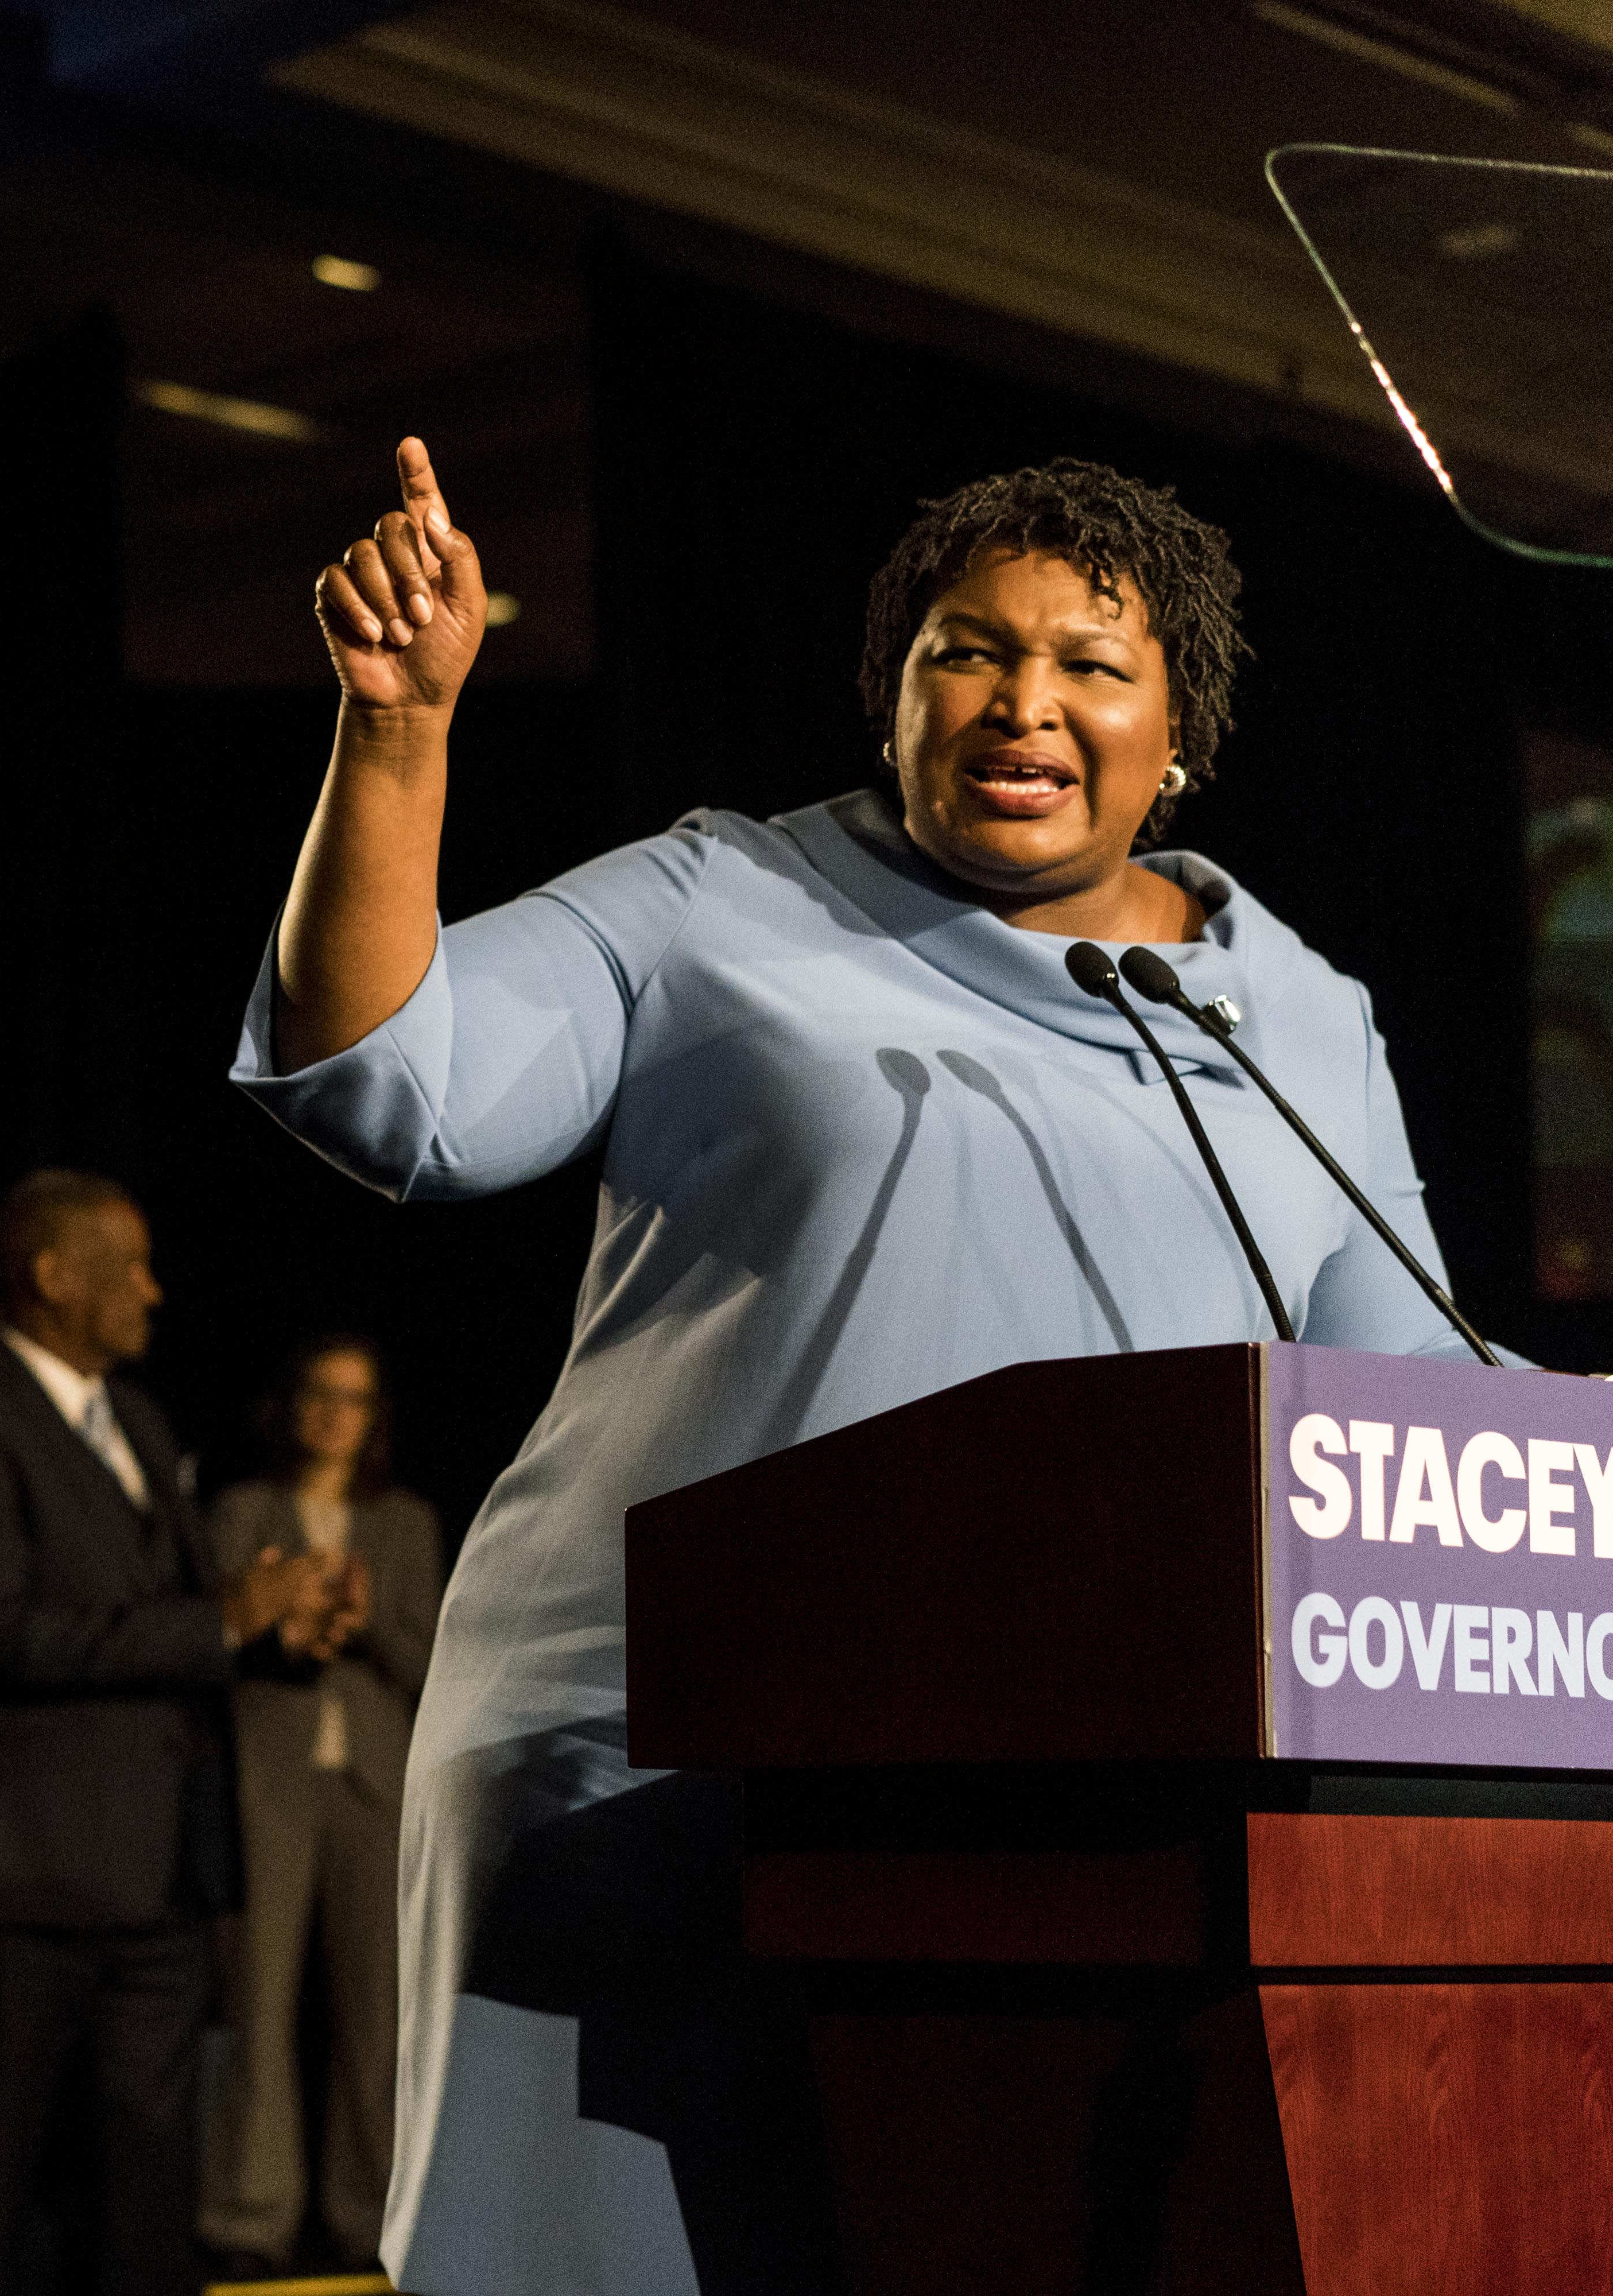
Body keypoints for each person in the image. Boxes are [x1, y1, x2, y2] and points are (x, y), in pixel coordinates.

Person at [247, 444, 1495, 2289]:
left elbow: (1425, 1439)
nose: (1021, 702)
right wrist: (398, 734)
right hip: (641, 1759)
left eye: (1088, 663)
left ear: (1182, 729)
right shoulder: (716, 903)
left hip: (1075, 1822)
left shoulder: (1291, 1013)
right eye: (965, 650)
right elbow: (382, 1084)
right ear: (891, 686)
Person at [0, 1171, 351, 2296]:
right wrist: (219, 1619)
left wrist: (282, 1630)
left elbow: (180, 1615)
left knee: (148, 2208)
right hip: (21, 1882)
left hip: (157, 1876)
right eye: (131, 1265)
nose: (154, 1288)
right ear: (52, 1275)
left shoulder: (138, 1416)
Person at [199, 1338, 439, 2275]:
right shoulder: (243, 1510)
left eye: (354, 1398)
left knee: (376, 2015)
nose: (335, 1413)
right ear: (291, 1404)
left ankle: (372, 2215)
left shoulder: (405, 1524)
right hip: (272, 1777)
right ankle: (248, 2218)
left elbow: (430, 1664)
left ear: (373, 1418)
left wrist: (364, 1620)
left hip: (372, 1787)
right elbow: (214, 1641)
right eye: (319, 1394)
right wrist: (291, 1630)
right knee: (258, 2000)